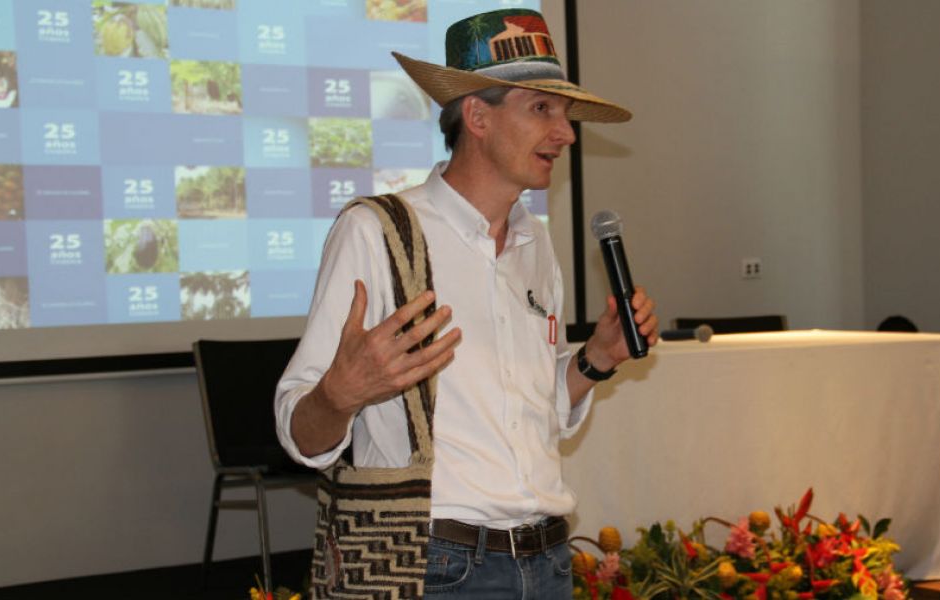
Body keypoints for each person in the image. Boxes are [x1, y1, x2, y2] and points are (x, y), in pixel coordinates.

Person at [274, 8, 658, 598]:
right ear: (476, 115)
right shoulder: (379, 231)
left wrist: (596, 360)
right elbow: (300, 433)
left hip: (548, 560)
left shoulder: (535, 241)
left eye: (565, 113)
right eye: (541, 109)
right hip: (436, 565)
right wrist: (340, 393)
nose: (567, 133)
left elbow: (537, 416)